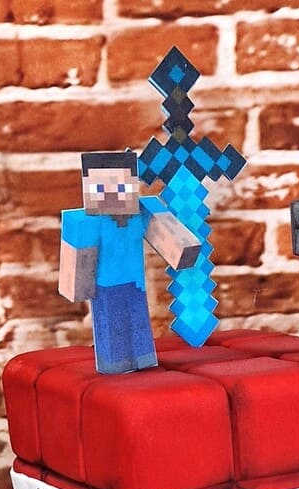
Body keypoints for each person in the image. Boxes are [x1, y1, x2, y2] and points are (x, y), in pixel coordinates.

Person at [58, 150, 201, 374]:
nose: (113, 193)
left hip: (135, 283)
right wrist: (76, 286)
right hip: (106, 288)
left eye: (121, 187)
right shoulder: (87, 222)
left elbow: (168, 231)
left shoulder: (141, 212)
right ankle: (115, 365)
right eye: (102, 188)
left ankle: (143, 359)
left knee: (138, 321)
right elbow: (77, 251)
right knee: (112, 325)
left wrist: (184, 250)